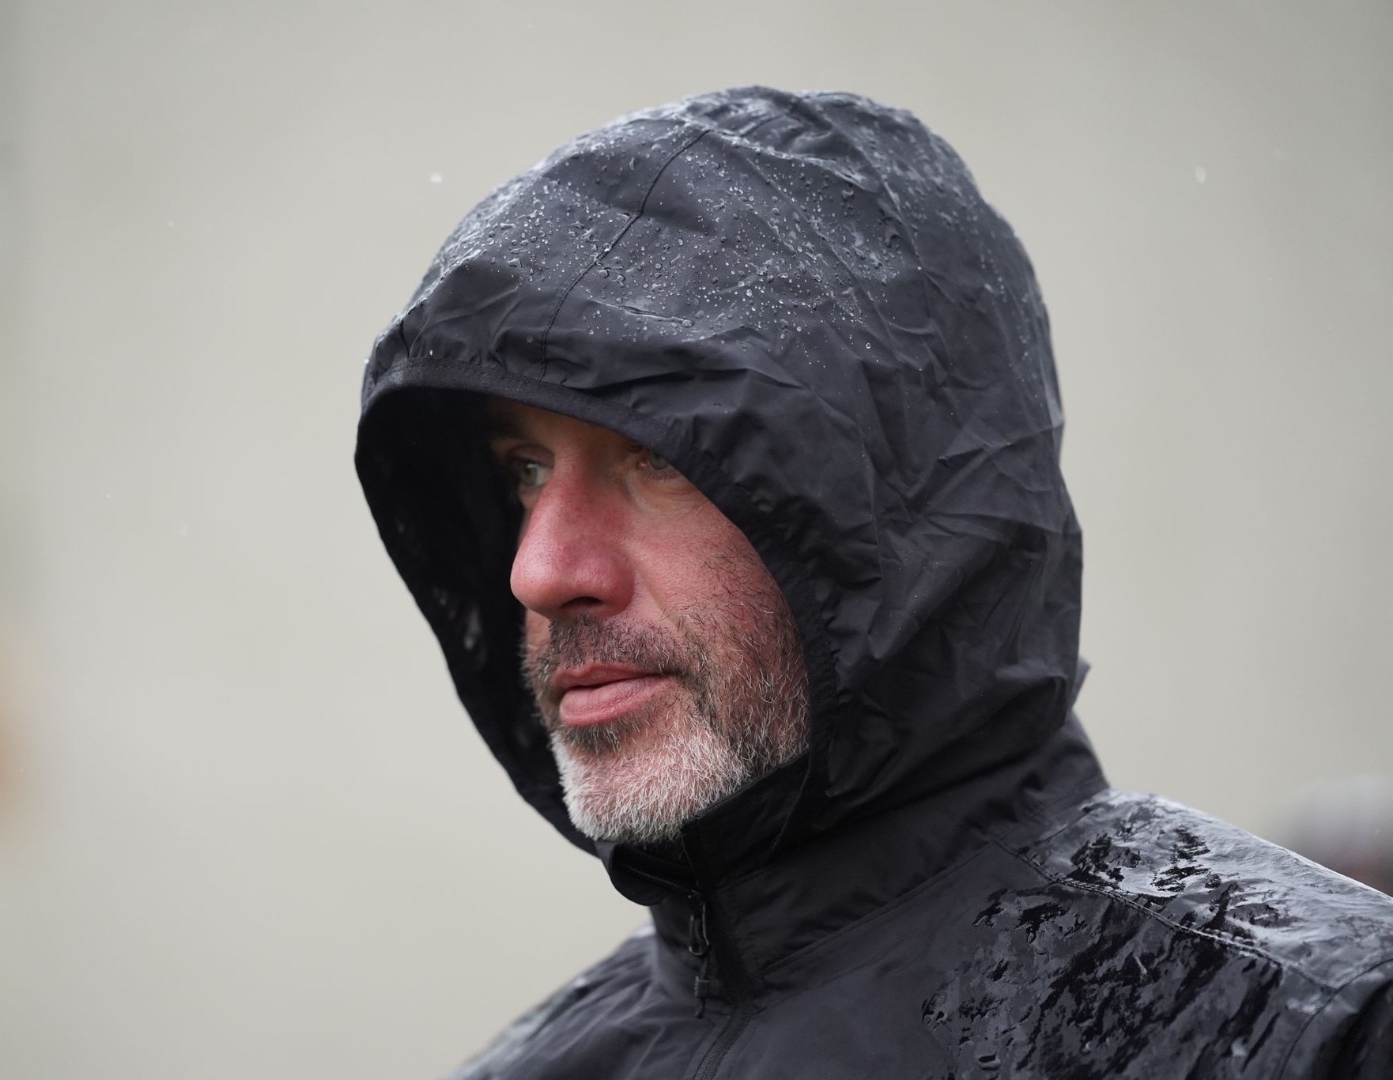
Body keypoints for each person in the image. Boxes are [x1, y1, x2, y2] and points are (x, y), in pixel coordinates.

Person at [354, 87, 1393, 1078]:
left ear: (893, 510)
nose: (539, 571)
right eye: (525, 471)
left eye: (656, 457)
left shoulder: (1311, 1034)